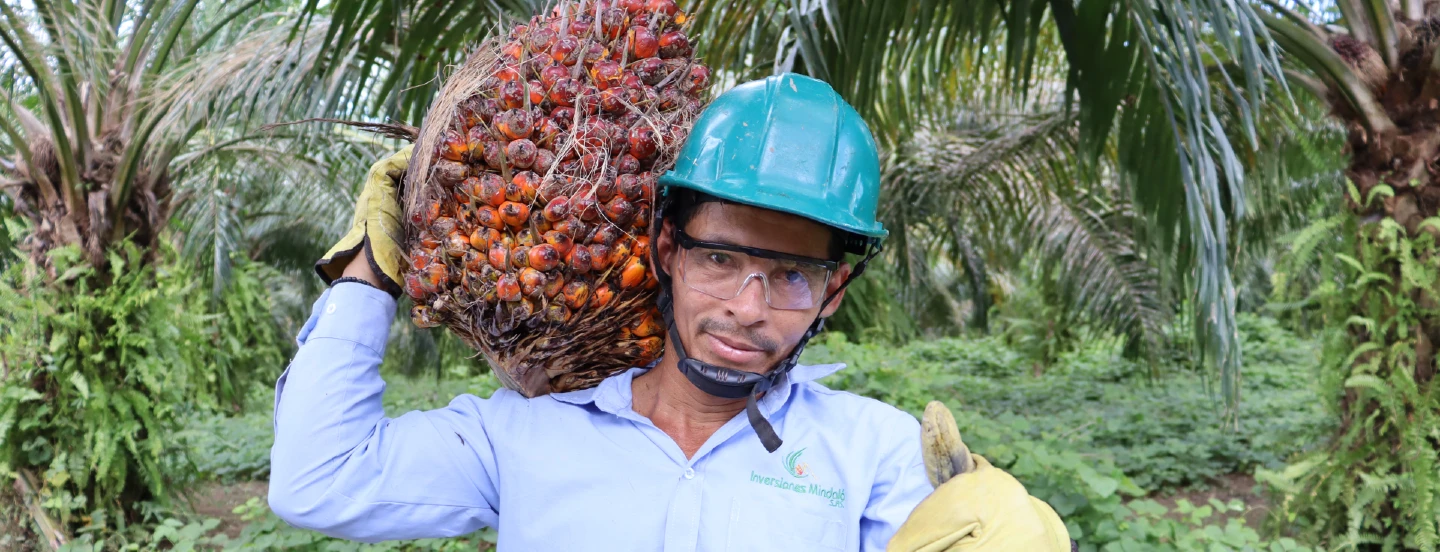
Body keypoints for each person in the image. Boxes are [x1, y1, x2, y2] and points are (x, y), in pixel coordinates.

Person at [268, 73, 1069, 551]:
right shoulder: (522, 434)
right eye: (720, 258)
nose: (747, 309)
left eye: (791, 276)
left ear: (834, 292)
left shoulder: (876, 455)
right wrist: (372, 270)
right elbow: (316, 483)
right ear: (666, 251)